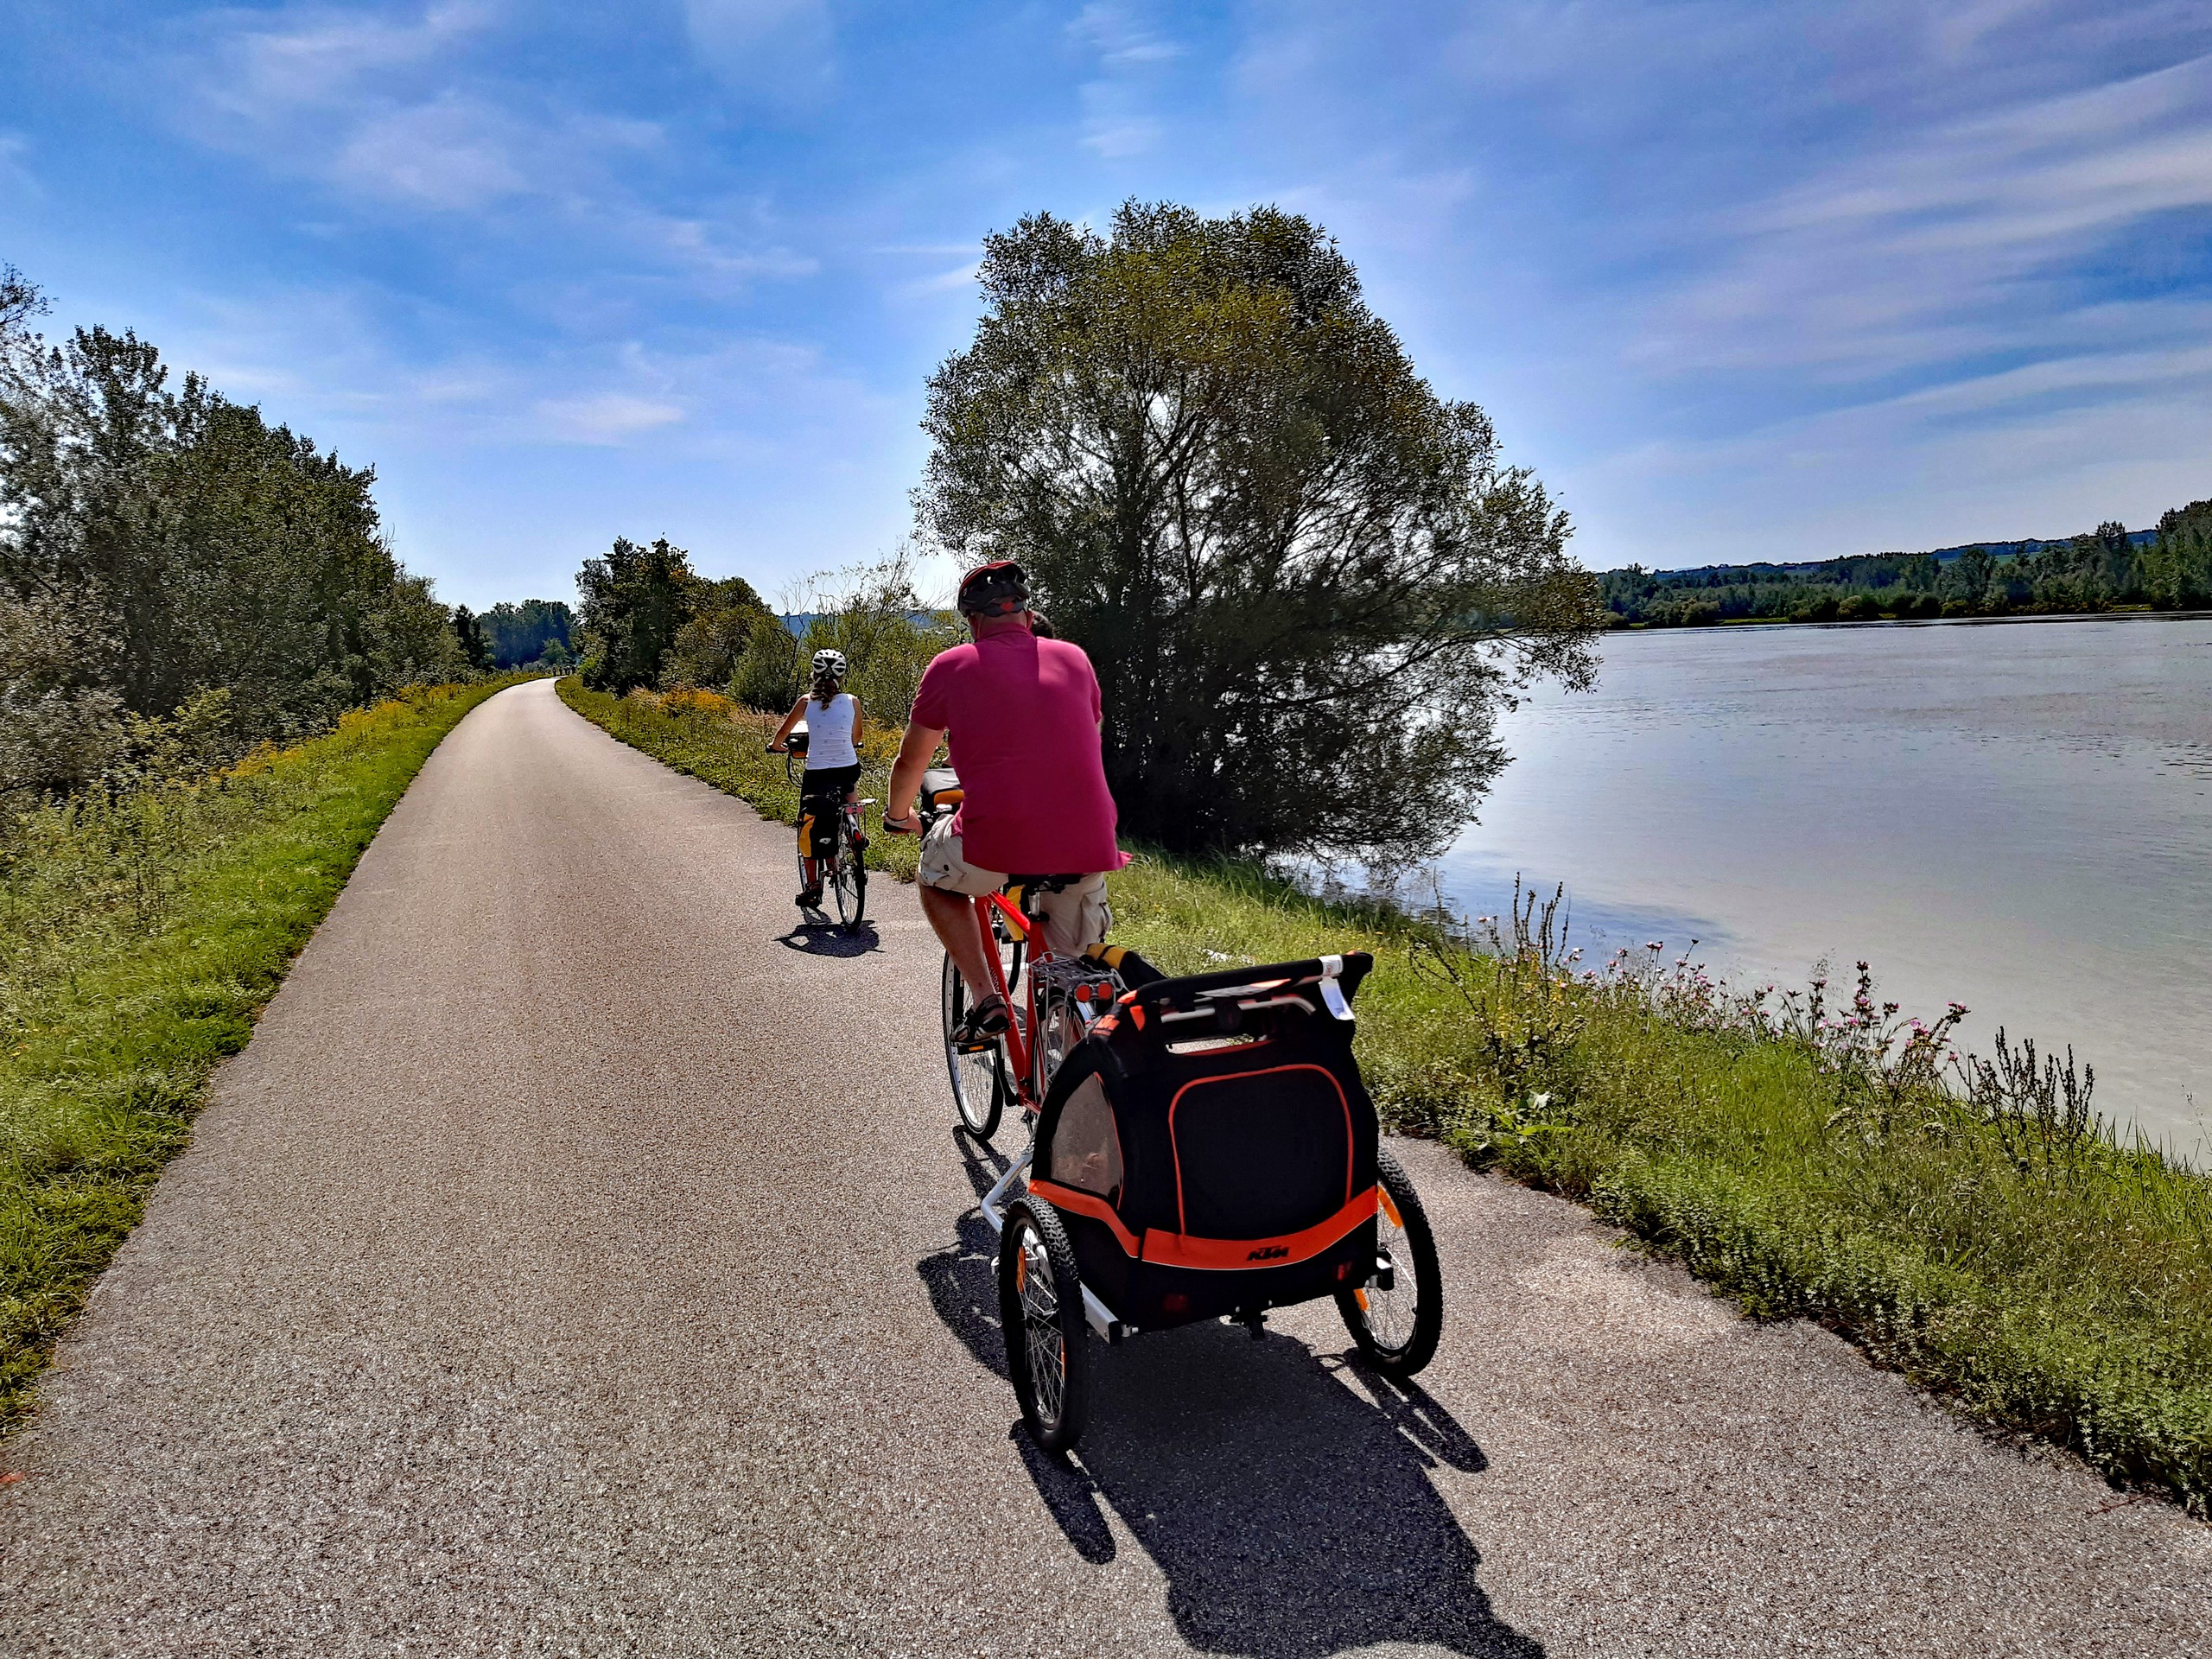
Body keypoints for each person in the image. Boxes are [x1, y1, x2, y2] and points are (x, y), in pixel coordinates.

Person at [883, 561, 1127, 1042]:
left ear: (972, 620)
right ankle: (1074, 1081)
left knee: (936, 879)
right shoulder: (1075, 659)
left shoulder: (951, 665)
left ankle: (987, 999)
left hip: (994, 845)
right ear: (1027, 612)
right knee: (1071, 980)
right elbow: (1084, 743)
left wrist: (898, 817)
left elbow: (910, 765)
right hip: (1089, 844)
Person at [768, 648, 865, 910]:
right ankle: (854, 828)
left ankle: (813, 886)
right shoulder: (852, 701)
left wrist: (777, 746)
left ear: (814, 673)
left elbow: (781, 734)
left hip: (817, 773)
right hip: (847, 768)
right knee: (848, 789)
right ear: (842, 677)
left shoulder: (805, 702)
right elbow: (856, 739)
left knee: (808, 823)